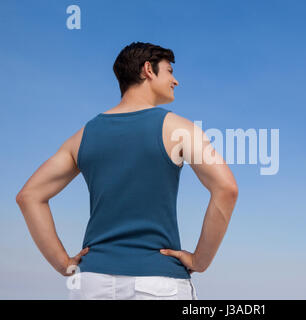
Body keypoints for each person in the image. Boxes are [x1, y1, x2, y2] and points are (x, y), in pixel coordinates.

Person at [15, 41, 239, 300]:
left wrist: (63, 263)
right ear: (148, 70)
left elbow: (29, 196)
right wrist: (200, 260)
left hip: (91, 284)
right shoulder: (179, 129)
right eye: (169, 71)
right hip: (157, 283)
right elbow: (226, 189)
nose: (175, 81)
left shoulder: (83, 136)